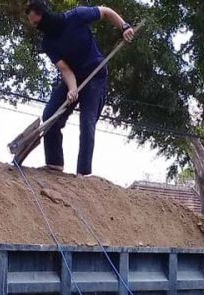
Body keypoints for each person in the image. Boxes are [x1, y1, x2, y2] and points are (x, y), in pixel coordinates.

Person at [25, 1, 136, 176]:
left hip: (95, 75)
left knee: (87, 123)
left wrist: (124, 27)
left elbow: (106, 12)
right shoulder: (48, 43)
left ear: (43, 15)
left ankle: (83, 174)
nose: (36, 27)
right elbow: (65, 69)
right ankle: (54, 164)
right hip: (74, 76)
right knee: (50, 115)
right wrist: (72, 88)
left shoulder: (77, 16)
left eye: (36, 23)